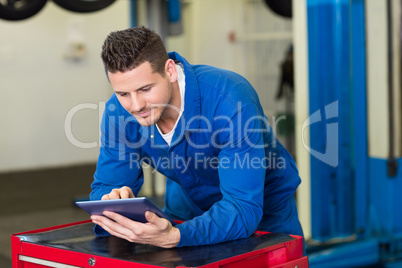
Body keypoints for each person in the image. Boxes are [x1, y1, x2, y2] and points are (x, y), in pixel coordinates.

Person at [90, 26, 304, 249]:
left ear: (170, 71)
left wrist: (175, 236)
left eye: (145, 89)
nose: (135, 105)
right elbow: (106, 185)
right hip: (186, 205)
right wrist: (112, 201)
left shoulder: (230, 101)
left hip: (262, 209)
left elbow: (242, 207)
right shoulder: (118, 112)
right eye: (123, 93)